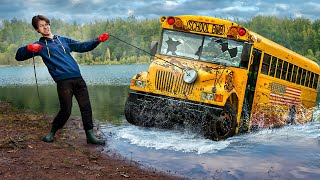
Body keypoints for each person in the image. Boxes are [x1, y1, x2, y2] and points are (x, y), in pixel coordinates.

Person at [15, 15, 110, 145]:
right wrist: (28, 48)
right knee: (66, 110)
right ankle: (51, 133)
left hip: (78, 78)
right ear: (37, 30)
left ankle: (90, 136)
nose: (45, 27)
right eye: (41, 26)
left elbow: (82, 46)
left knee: (86, 107)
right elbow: (18, 56)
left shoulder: (63, 40)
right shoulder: (40, 45)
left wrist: (97, 40)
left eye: (46, 24)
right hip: (63, 82)